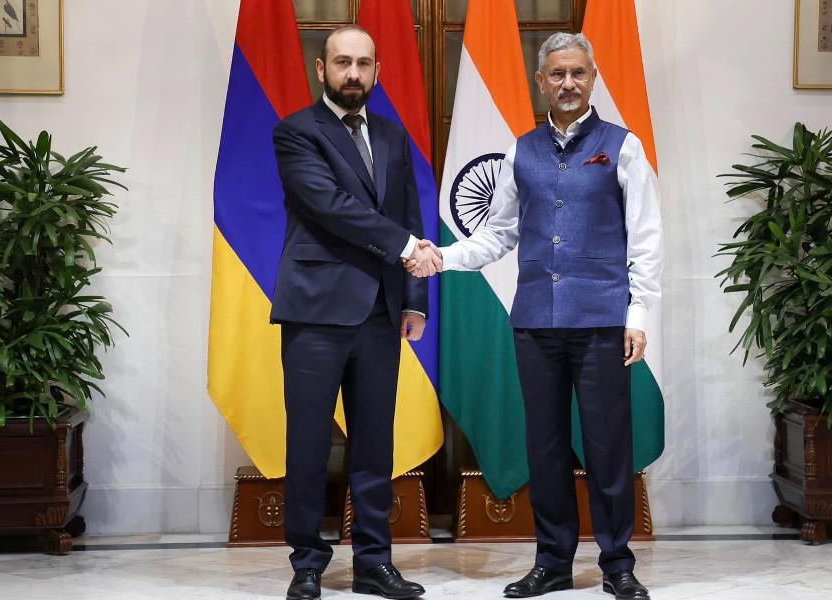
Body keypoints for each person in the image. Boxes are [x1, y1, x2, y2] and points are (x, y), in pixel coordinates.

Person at [410, 32, 662, 600]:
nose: (568, 83)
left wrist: (638, 313)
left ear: (592, 78)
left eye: (578, 73)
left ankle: (618, 564)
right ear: (541, 81)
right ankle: (552, 562)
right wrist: (443, 257)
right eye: (557, 74)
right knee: (544, 449)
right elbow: (498, 233)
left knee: (607, 447)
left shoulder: (622, 147)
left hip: (602, 322)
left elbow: (646, 239)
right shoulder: (520, 151)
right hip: (535, 324)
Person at [271, 24, 439, 600]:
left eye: (364, 64)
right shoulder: (297, 131)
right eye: (342, 62)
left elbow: (410, 214)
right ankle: (307, 563)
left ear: (376, 71)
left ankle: (373, 561)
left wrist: (414, 298)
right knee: (309, 443)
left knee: (374, 444)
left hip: (380, 313)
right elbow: (330, 205)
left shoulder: (391, 135)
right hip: (316, 311)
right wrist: (405, 246)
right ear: (321, 69)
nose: (353, 73)